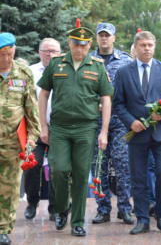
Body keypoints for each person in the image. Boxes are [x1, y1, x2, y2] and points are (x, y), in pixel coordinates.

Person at [38, 27, 113, 237]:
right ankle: (62, 208)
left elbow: (106, 99)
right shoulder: (56, 63)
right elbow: (43, 95)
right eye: (75, 44)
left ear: (89, 45)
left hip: (86, 127)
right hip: (60, 128)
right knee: (59, 170)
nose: (79, 48)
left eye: (83, 45)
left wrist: (104, 131)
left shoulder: (97, 67)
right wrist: (43, 126)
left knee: (81, 174)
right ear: (69, 43)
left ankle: (78, 221)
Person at [113, 31, 161, 234]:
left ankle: (160, 214)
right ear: (136, 47)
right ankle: (142, 219)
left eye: (150, 45)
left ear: (155, 47)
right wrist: (130, 122)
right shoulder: (124, 72)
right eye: (143, 45)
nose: (147, 48)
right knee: (139, 177)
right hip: (137, 134)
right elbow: (118, 103)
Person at [90, 23, 134, 225]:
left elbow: (132, 89)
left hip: (119, 121)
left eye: (108, 35)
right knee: (99, 166)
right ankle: (103, 208)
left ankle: (124, 208)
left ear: (114, 38)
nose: (105, 39)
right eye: (101, 35)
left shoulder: (125, 60)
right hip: (94, 121)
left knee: (122, 164)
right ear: (97, 38)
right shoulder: (88, 60)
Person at [0, 33, 40, 245]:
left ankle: (3, 230)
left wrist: (32, 139)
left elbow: (31, 109)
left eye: (9, 53)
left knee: (9, 188)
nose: (6, 59)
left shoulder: (23, 73)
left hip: (12, 144)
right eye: (2, 54)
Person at [25, 38, 61, 221]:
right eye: (46, 51)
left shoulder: (64, 71)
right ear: (39, 52)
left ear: (60, 53)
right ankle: (32, 202)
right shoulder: (30, 72)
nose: (50, 54)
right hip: (35, 129)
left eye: (54, 51)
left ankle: (54, 208)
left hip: (59, 130)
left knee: (57, 168)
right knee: (33, 165)